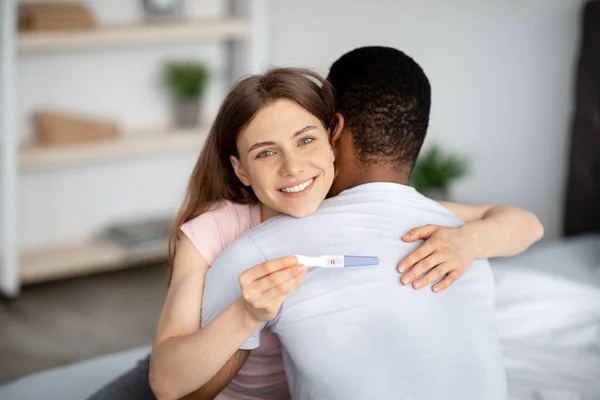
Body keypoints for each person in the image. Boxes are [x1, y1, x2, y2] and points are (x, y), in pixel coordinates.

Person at [89, 59, 542, 400]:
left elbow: (524, 224)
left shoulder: (357, 210)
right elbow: (169, 382)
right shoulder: (212, 232)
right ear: (241, 170)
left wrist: (469, 241)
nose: (292, 168)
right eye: (266, 153)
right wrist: (246, 314)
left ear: (332, 139)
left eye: (305, 140)